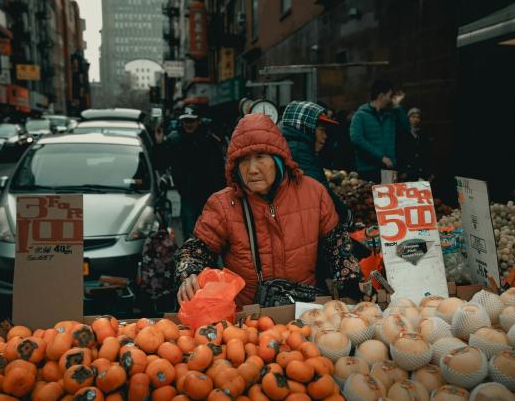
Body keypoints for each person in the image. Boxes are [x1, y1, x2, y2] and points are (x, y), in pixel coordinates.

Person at [174, 114, 364, 306]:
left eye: (260, 157)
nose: (252, 169)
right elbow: (196, 249)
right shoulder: (223, 204)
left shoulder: (314, 193)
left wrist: (351, 288)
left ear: (278, 159)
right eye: (244, 160)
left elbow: (338, 248)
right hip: (248, 320)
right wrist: (190, 272)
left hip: (305, 311)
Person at [156, 105, 226, 240]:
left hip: (210, 196)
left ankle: (208, 259)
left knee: (211, 235)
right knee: (190, 235)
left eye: (192, 120)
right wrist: (159, 144)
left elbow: (219, 166)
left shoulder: (210, 139)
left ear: (198, 121)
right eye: (186, 121)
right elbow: (160, 162)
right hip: (188, 196)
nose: (189, 124)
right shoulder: (174, 140)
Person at [280, 101, 353, 228]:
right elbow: (321, 190)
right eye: (322, 131)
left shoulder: (294, 145)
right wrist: (346, 215)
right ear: (307, 128)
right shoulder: (298, 151)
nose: (325, 137)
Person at [350, 79, 410, 183]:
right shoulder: (360, 115)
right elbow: (356, 139)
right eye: (390, 96)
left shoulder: (391, 114)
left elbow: (406, 130)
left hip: (389, 169)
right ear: (382, 95)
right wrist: (381, 157)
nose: (391, 100)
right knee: (369, 198)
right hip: (368, 169)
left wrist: (398, 107)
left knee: (388, 198)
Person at [397, 107, 433, 182]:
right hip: (407, 173)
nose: (416, 120)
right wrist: (402, 171)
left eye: (418, 117)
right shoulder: (403, 134)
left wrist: (429, 173)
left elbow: (427, 155)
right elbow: (399, 154)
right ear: (408, 118)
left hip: (421, 173)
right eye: (413, 117)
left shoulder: (424, 135)